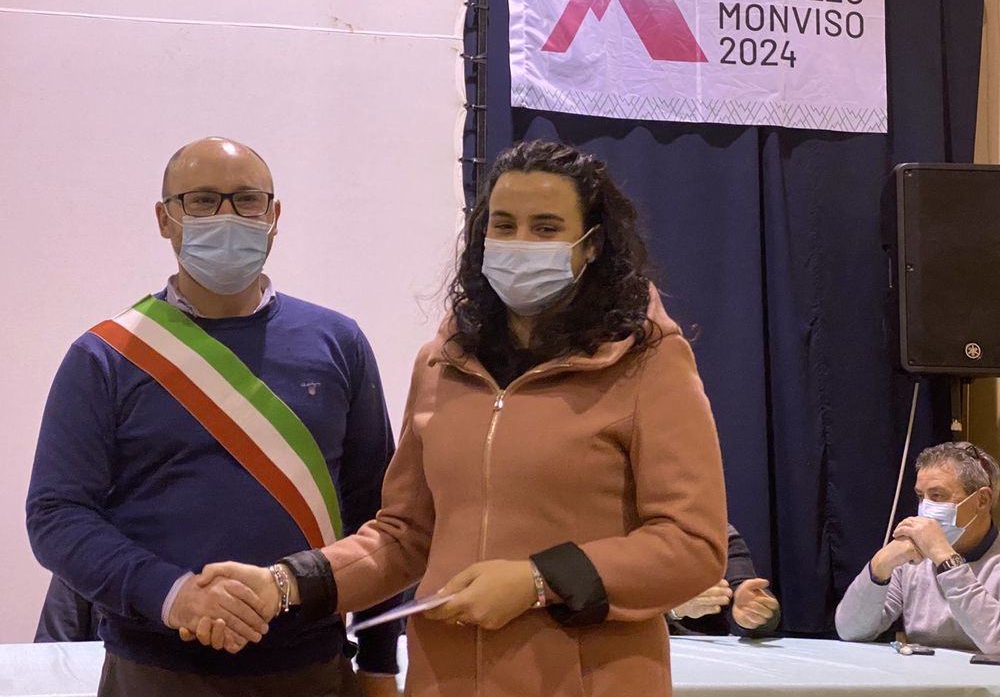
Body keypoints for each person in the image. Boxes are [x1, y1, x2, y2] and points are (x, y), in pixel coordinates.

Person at [185, 139, 729, 697]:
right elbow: (402, 537)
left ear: (591, 244)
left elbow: (692, 544)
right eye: (504, 225)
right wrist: (283, 583)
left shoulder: (648, 361)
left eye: (545, 228)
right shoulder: (441, 364)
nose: (520, 243)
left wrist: (538, 580)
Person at [26, 137, 401, 697]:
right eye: (201, 200)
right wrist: (174, 594)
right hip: (153, 673)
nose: (227, 217)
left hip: (314, 669)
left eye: (247, 200)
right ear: (165, 219)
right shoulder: (105, 356)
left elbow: (380, 515)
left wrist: (378, 662)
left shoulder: (338, 343)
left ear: (274, 216)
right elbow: (56, 516)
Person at [835, 441, 1000, 654]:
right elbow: (850, 630)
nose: (925, 508)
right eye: (921, 496)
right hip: (923, 674)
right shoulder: (912, 559)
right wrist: (879, 566)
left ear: (982, 500)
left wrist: (946, 559)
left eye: (937, 496)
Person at [668, 524, 780, 637]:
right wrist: (673, 609)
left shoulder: (719, 532)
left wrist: (755, 611)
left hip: (702, 643)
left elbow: (743, 588)